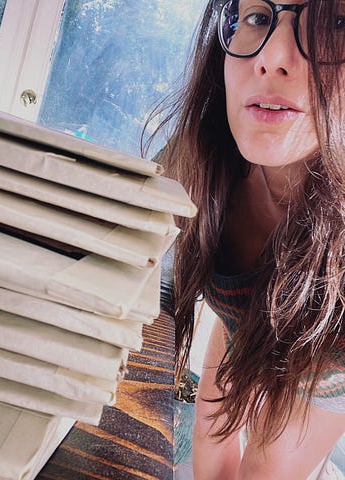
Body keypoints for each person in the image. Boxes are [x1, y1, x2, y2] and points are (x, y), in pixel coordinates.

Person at [145, 0, 345, 478]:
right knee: (208, 453)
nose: (272, 56)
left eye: (337, 22)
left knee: (262, 469)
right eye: (258, 16)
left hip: (319, 366)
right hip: (242, 320)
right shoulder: (200, 155)